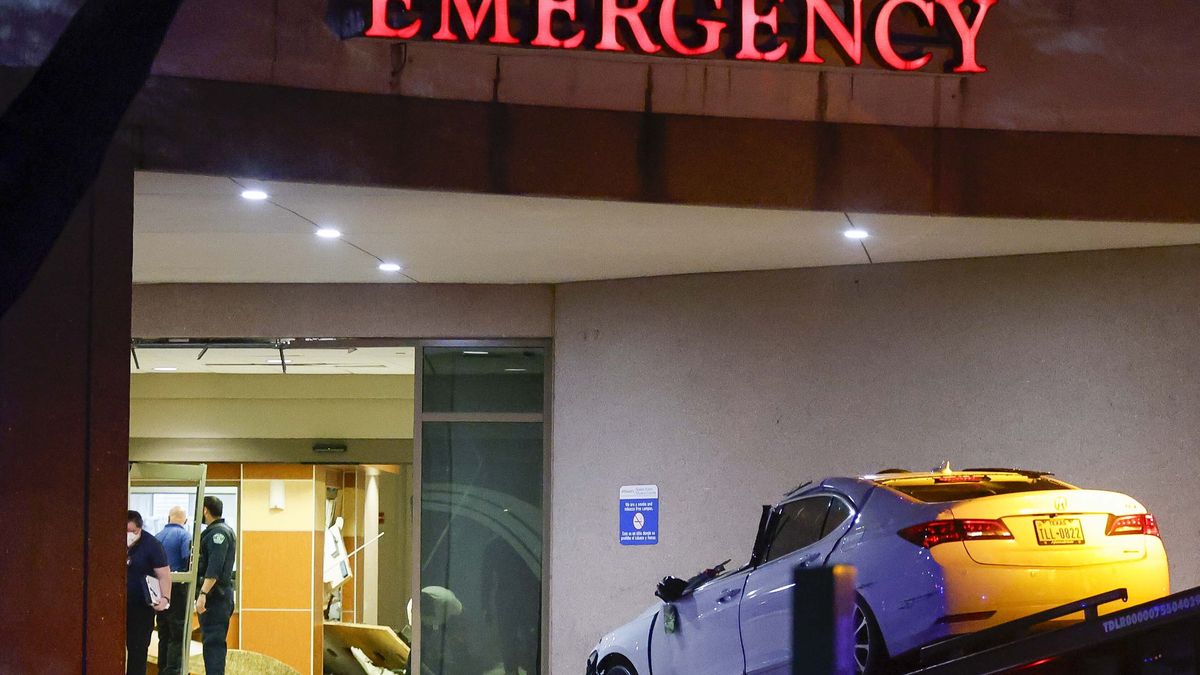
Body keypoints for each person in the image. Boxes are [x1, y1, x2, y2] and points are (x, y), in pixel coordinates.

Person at [195, 496, 237, 675]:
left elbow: (214, 568)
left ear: (205, 510)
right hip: (218, 597)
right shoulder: (220, 530)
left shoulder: (217, 534)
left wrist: (203, 594)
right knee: (212, 646)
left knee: (213, 646)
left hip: (215, 598)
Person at [127, 511, 172, 675]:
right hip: (115, 607)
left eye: (132, 531)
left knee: (138, 651)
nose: (128, 535)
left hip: (141, 607)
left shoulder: (152, 545)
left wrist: (165, 598)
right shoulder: (112, 541)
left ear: (139, 529)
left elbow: (164, 575)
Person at [154, 506, 192, 675]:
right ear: (185, 520)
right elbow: (187, 561)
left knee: (163, 632)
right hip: (177, 589)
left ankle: (162, 669)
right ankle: (172, 671)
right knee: (177, 634)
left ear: (168, 518)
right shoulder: (184, 536)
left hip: (158, 590)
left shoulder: (157, 537)